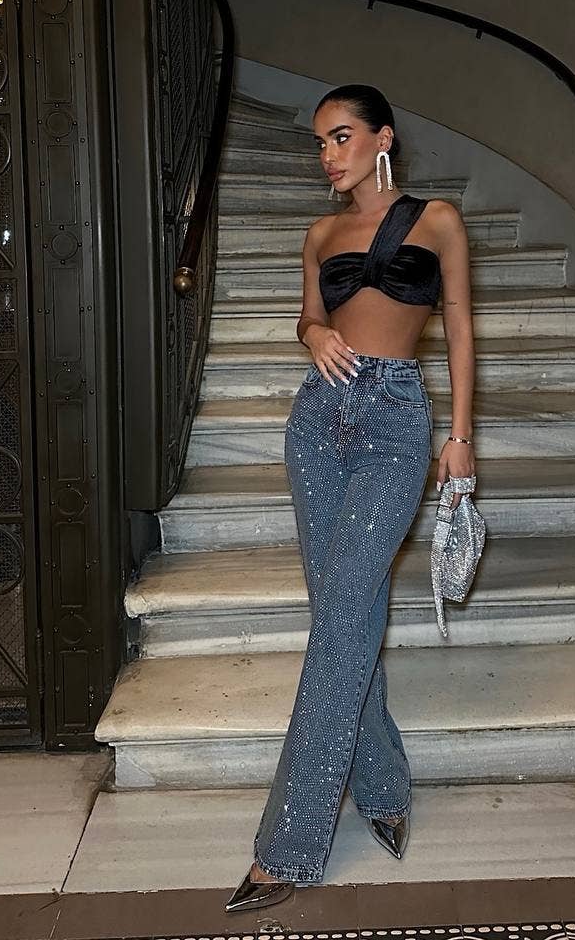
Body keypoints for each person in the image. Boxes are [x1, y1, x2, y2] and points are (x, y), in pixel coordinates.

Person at [225, 83, 476, 913]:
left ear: (383, 138)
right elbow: (306, 317)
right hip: (317, 424)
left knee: (339, 621)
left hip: (396, 424)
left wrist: (460, 436)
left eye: (341, 137)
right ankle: (384, 785)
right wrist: (316, 333)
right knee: (344, 613)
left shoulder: (437, 221)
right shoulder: (320, 233)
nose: (328, 155)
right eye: (320, 142)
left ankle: (287, 848)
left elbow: (461, 329)